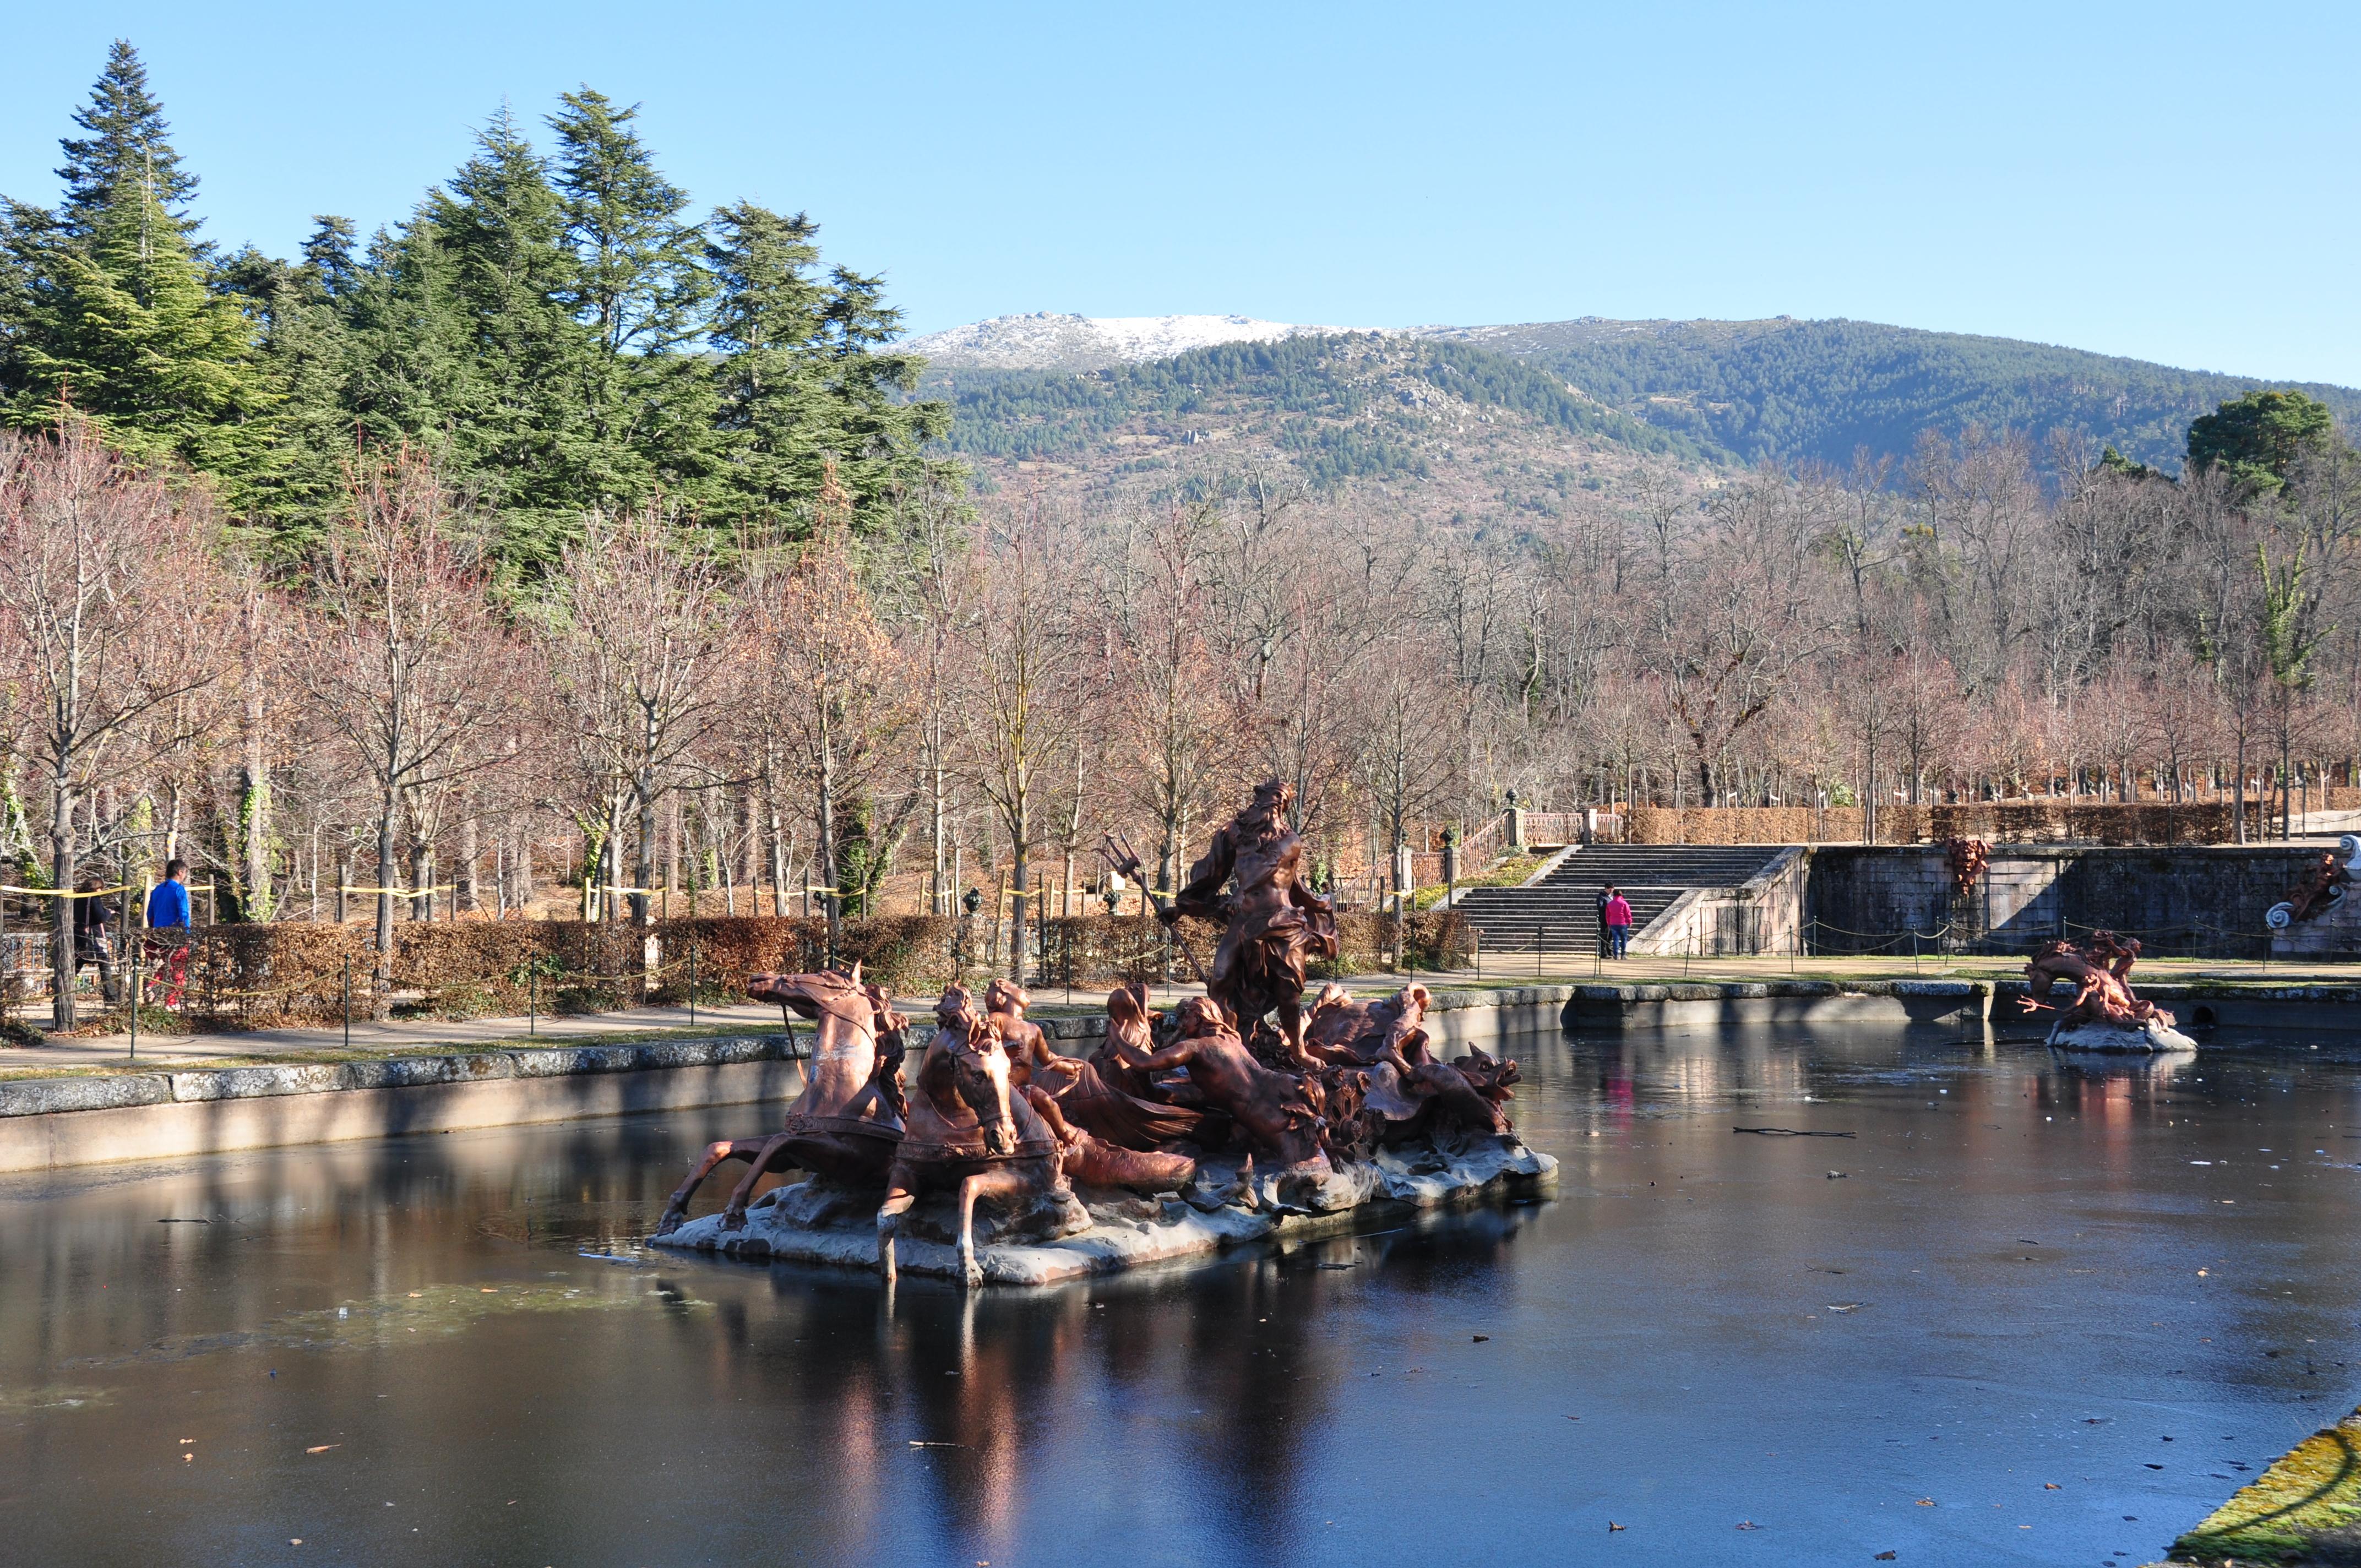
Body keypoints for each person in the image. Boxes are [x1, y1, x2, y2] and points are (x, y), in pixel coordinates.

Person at [144, 859, 193, 1008]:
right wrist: (187, 933)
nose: (184, 877)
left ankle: (152, 985)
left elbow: (149, 913)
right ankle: (172, 1002)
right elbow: (184, 913)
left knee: (168, 964)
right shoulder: (179, 890)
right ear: (180, 872)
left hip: (159, 932)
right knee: (178, 965)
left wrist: (154, 930)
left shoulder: (158, 890)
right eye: (185, 873)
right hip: (175, 932)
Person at [72, 877, 121, 1003]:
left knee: (76, 964)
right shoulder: (94, 898)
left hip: (79, 934)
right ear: (97, 888)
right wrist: (110, 912)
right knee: (104, 963)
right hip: (93, 936)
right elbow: (101, 917)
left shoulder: (78, 898)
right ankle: (110, 997)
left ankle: (59, 992)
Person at [1603, 885, 1633, 960]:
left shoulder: (1610, 904)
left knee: (1615, 940)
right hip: (1622, 923)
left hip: (1613, 923)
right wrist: (1630, 921)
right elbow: (1628, 913)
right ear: (1621, 895)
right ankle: (1623, 954)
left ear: (1614, 895)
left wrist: (1609, 923)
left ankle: (1616, 954)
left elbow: (1608, 915)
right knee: (1624, 939)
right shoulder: (1624, 903)